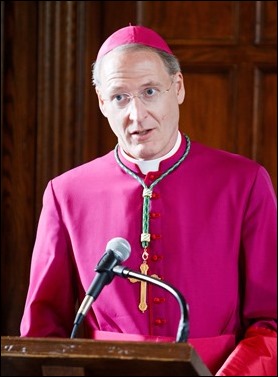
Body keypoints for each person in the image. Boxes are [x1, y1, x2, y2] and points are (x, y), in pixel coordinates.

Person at [20, 25, 277, 375]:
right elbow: (41, 331)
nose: (136, 116)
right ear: (101, 103)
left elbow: (271, 320)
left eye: (150, 91)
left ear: (179, 88)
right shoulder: (66, 194)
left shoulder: (244, 182)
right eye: (119, 97)